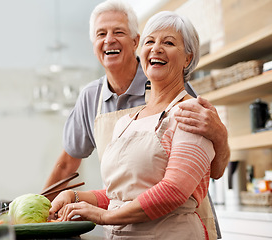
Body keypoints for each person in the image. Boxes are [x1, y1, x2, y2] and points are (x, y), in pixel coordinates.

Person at [44, 0, 230, 239]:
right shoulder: (121, 118)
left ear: (134, 42)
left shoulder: (188, 109)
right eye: (151, 42)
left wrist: (221, 137)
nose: (156, 48)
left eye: (169, 42)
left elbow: (177, 189)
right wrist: (67, 199)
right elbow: (119, 194)